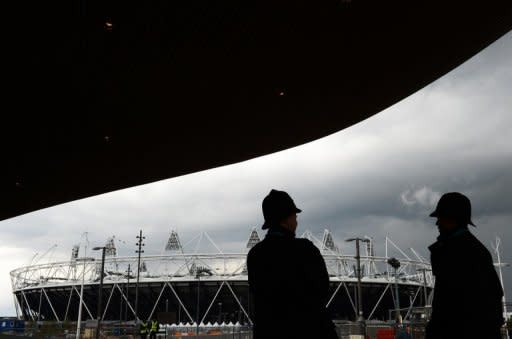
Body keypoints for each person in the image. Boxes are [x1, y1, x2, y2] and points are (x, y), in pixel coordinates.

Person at [247, 189, 338, 339]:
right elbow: (322, 289)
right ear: (287, 219)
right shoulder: (305, 249)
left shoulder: (255, 255)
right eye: (295, 216)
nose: (296, 221)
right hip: (309, 330)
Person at [425, 192, 504, 339]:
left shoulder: (454, 252)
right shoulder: (475, 250)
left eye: (441, 218)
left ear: (452, 219)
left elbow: (449, 302)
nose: (437, 223)